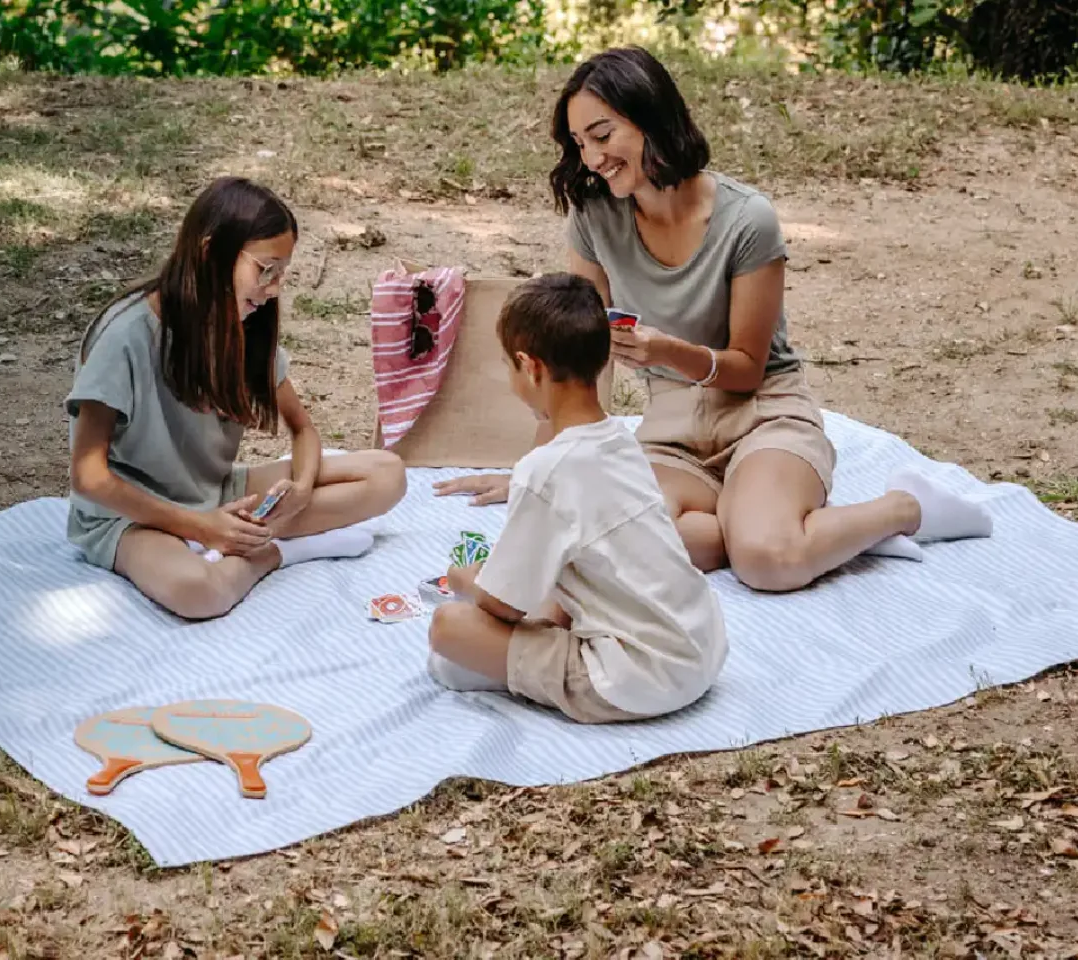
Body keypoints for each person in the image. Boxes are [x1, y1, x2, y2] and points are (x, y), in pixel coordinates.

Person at [435, 47, 991, 592]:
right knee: (610, 545)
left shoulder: (746, 219)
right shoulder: (593, 217)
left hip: (763, 414)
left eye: (603, 136)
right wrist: (541, 468)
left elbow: (748, 368)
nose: (592, 159)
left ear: (652, 118)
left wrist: (666, 352)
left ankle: (901, 508)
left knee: (767, 561)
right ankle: (768, 520)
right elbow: (574, 361)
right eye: (580, 143)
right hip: (670, 434)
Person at [66, 176, 406, 620]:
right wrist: (200, 527)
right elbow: (88, 476)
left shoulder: (243, 327)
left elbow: (302, 428)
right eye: (266, 269)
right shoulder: (125, 335)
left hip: (216, 494)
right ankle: (271, 552)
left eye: (282, 273)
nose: (274, 287)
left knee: (388, 474)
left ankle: (250, 538)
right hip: (133, 515)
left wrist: (301, 489)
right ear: (211, 253)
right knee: (198, 593)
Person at [427, 273, 727, 724]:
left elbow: (503, 605)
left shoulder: (543, 470)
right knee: (552, 594)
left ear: (530, 367)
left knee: (448, 632)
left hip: (639, 681)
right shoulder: (622, 441)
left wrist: (465, 579)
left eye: (509, 366)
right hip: (703, 648)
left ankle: (515, 670)